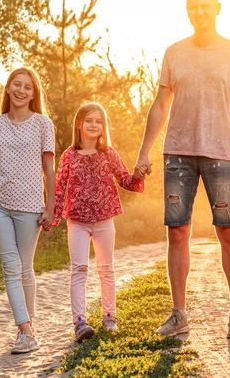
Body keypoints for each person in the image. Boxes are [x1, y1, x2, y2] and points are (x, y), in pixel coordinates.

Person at [134, 0, 230, 338]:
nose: (200, 12)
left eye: (206, 7)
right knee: (178, 232)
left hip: (221, 153)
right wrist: (145, 150)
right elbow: (160, 105)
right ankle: (179, 314)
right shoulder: (175, 53)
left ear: (217, 7)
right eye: (194, 8)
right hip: (178, 154)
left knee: (229, 234)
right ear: (187, 10)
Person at [0, 67, 55, 354]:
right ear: (7, 88)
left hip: (30, 207)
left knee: (25, 268)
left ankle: (28, 326)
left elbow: (49, 168)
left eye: (28, 87)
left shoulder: (43, 124)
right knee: (10, 266)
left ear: (34, 94)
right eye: (17, 85)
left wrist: (51, 206)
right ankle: (24, 331)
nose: (22, 91)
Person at [53, 102, 145, 342]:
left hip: (104, 220)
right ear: (79, 125)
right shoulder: (69, 156)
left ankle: (109, 316)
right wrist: (51, 216)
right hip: (77, 221)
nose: (94, 125)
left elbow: (126, 180)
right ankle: (79, 322)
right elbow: (59, 188)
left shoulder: (109, 153)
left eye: (98, 121)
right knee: (79, 269)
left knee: (106, 269)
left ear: (104, 126)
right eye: (89, 121)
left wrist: (139, 175)